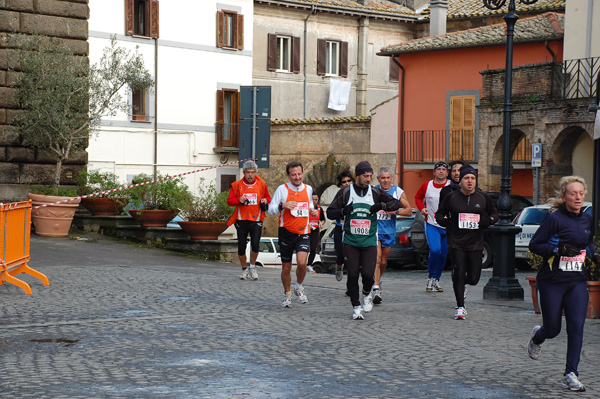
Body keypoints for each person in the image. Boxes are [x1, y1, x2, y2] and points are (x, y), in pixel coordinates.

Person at [527, 176, 599, 392]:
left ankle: (571, 374)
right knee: (553, 328)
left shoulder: (587, 219)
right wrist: (557, 250)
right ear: (564, 196)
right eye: (572, 193)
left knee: (576, 327)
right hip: (552, 280)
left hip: (576, 280)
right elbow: (535, 245)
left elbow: (587, 242)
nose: (577, 197)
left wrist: (594, 255)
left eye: (580, 193)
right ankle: (538, 337)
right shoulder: (555, 219)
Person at [327, 161, 403, 320]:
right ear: (357, 176)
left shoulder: (374, 192)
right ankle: (356, 307)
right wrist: (342, 211)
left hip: (369, 241)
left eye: (370, 176)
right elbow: (330, 213)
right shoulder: (346, 192)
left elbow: (396, 203)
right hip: (350, 241)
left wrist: (381, 205)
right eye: (365, 176)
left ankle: (367, 294)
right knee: (353, 274)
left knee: (368, 275)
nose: (368, 179)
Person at [435, 165, 498, 320]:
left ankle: (463, 282)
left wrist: (488, 221)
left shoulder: (482, 197)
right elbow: (439, 214)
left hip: (476, 243)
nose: (470, 181)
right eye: (466, 178)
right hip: (456, 242)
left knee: (474, 278)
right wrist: (447, 223)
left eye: (473, 178)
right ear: (460, 181)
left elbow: (495, 214)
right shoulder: (452, 197)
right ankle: (460, 307)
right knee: (459, 272)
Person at [267, 161, 318, 307]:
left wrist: (312, 211)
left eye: (299, 174)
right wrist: (282, 206)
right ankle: (287, 294)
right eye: (294, 175)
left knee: (302, 263)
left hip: (303, 232)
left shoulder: (308, 189)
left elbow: (309, 206)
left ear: (303, 173)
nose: (297, 177)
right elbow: (270, 210)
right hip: (286, 233)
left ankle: (299, 286)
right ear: (288, 175)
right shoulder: (282, 190)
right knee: (286, 268)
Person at [372, 167, 412, 305]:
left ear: (391, 178)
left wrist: (395, 211)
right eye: (383, 178)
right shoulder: (373, 191)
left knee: (383, 262)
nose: (386, 180)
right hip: (375, 230)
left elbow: (409, 211)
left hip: (389, 231)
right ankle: (376, 288)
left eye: (388, 178)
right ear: (378, 179)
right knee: (376, 259)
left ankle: (379, 278)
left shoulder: (397, 192)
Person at [226, 160, 271, 281]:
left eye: (252, 172)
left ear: (256, 172)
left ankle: (252, 267)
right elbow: (229, 201)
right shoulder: (237, 185)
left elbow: (268, 197)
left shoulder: (261, 183)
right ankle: (244, 269)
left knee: (255, 245)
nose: (250, 175)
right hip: (241, 219)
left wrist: (265, 201)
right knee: (241, 246)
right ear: (244, 173)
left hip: (256, 219)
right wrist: (238, 200)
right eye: (247, 172)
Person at [415, 161, 450, 292]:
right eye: (438, 169)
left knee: (443, 254)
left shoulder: (451, 186)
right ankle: (431, 276)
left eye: (443, 169)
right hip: (431, 223)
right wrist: (422, 208)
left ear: (447, 173)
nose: (441, 171)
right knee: (435, 250)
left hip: (447, 226)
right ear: (434, 172)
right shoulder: (427, 185)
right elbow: (418, 197)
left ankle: (437, 279)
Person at [332, 171, 354, 281]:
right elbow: (331, 212)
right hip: (340, 227)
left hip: (353, 229)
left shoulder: (358, 194)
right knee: (340, 255)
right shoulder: (340, 195)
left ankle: (351, 286)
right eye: (344, 182)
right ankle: (339, 266)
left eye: (349, 181)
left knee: (352, 259)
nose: (347, 183)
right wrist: (343, 211)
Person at [307, 193, 325, 273]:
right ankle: (302, 264)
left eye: (316, 200)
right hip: (306, 230)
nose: (314, 201)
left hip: (315, 230)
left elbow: (323, 219)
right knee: (305, 247)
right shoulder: (307, 208)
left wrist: (321, 223)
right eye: (312, 199)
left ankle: (309, 265)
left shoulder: (319, 208)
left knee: (314, 248)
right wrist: (307, 225)